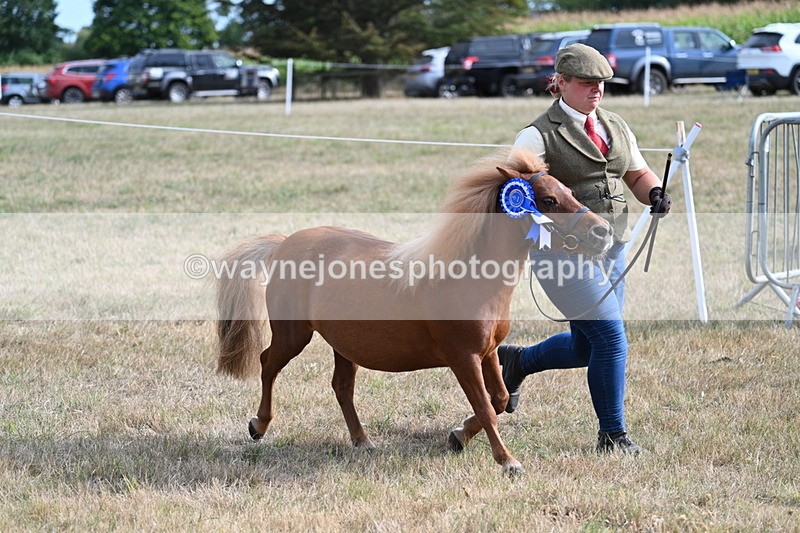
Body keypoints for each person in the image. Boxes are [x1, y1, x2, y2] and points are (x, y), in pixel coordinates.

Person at [499, 43, 671, 454]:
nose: (596, 90)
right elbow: (515, 192)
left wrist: (655, 193)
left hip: (613, 247)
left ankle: (517, 363)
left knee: (586, 346)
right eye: (586, 82)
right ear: (560, 83)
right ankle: (612, 435)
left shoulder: (614, 124)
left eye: (601, 84)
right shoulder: (537, 134)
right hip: (563, 254)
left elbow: (635, 172)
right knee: (612, 338)